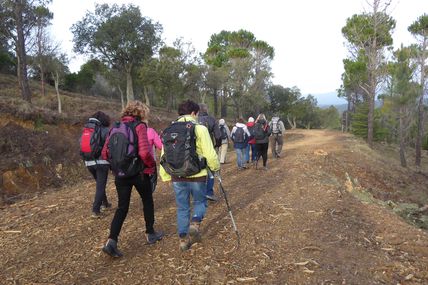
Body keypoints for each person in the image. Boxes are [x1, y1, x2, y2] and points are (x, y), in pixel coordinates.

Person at [101, 101, 163, 258]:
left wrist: (117, 165)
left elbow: (104, 153)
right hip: (139, 173)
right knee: (147, 201)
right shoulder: (139, 126)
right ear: (141, 113)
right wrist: (150, 165)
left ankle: (111, 241)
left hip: (120, 175)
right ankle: (150, 233)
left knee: (122, 208)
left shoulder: (115, 127)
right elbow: (144, 152)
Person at [160, 100, 220, 251]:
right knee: (200, 202)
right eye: (197, 113)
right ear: (194, 113)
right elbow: (209, 153)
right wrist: (215, 168)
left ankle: (182, 240)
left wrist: (165, 176)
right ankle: (195, 223)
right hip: (197, 174)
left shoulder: (169, 129)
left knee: (182, 207)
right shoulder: (200, 128)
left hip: (176, 176)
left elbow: (164, 154)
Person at [81, 111, 112, 218]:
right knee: (100, 185)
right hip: (101, 162)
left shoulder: (86, 130)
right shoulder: (104, 130)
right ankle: (95, 210)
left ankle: (105, 203)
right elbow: (109, 145)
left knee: (99, 184)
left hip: (88, 162)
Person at [198, 103, 221, 202]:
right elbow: (218, 135)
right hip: (209, 146)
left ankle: (199, 193)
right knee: (211, 170)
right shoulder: (212, 119)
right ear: (206, 110)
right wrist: (217, 145)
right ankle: (209, 192)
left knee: (199, 171)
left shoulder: (194, 120)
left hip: (196, 149)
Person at [147, 127, 163, 193]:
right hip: (149, 164)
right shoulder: (150, 131)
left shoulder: (126, 130)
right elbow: (161, 146)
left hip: (131, 165)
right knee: (149, 189)